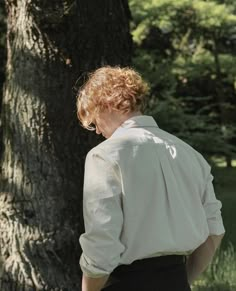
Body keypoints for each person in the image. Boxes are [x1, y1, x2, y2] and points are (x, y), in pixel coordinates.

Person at [76, 66, 225, 291]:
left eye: (94, 122)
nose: (97, 131)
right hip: (177, 282)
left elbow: (102, 243)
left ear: (106, 104)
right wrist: (185, 280)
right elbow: (214, 231)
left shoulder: (105, 155)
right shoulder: (190, 155)